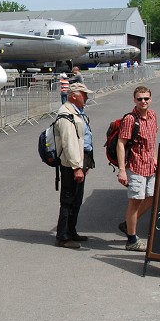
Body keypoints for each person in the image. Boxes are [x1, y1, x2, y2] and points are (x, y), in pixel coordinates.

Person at [116, 86, 159, 251]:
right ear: (134, 100)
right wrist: (122, 170)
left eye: (146, 98)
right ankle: (132, 240)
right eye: (140, 99)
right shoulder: (130, 119)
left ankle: (128, 225)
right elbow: (121, 143)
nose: (143, 101)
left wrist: (154, 158)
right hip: (135, 166)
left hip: (150, 165)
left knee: (152, 197)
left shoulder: (153, 116)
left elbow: (152, 139)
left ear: (150, 99)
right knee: (135, 202)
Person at [53, 82, 95, 248]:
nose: (87, 97)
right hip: (71, 164)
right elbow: (69, 143)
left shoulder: (77, 112)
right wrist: (77, 167)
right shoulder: (66, 114)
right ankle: (62, 237)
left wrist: (85, 164)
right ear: (74, 96)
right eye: (84, 94)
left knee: (77, 199)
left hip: (80, 161)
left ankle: (71, 231)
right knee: (68, 200)